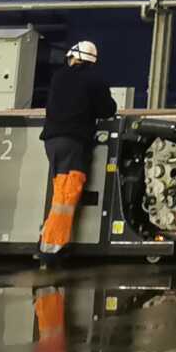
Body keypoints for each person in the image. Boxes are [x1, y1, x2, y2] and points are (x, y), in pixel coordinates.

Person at [35, 40, 116, 267]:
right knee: (65, 197)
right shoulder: (94, 80)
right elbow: (108, 109)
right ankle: (49, 251)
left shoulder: (59, 76)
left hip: (52, 141)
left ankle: (48, 242)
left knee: (59, 193)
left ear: (72, 57)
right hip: (74, 143)